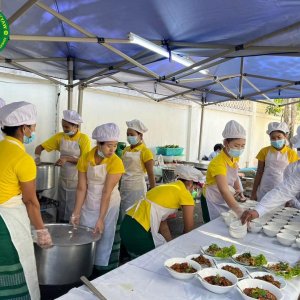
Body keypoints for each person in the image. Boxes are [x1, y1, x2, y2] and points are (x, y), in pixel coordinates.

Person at [0, 101, 52, 300]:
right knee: (16, 264)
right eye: (33, 128)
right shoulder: (23, 159)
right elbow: (30, 201)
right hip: (7, 223)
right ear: (23, 128)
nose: (33, 132)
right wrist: (41, 230)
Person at [71, 123, 125, 274]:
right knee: (86, 232)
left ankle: (104, 271)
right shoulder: (85, 158)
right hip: (89, 200)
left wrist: (101, 218)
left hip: (109, 203)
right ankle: (86, 266)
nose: (112, 150)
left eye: (115, 146)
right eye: (109, 146)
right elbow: (82, 188)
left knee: (106, 234)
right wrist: (76, 212)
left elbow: (106, 192)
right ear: (99, 144)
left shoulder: (116, 162)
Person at [120, 165, 204, 258]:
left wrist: (170, 246)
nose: (193, 191)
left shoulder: (167, 187)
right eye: (194, 188)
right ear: (189, 182)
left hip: (126, 226)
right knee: (157, 260)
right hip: (139, 232)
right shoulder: (184, 193)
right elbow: (189, 230)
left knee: (143, 261)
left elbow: (163, 225)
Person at [34, 110, 91, 222]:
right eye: (63, 126)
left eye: (67, 127)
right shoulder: (60, 137)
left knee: (73, 206)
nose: (64, 129)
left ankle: (73, 229)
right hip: (63, 179)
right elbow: (39, 148)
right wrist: (37, 158)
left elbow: (86, 161)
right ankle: (61, 226)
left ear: (76, 126)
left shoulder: (83, 139)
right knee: (62, 205)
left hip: (78, 180)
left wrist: (67, 159)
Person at [202, 120, 246, 222]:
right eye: (236, 145)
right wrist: (240, 211)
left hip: (223, 197)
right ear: (225, 143)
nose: (240, 149)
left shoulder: (234, 157)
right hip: (212, 199)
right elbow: (224, 190)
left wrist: (238, 189)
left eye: (243, 145)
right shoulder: (218, 162)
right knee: (212, 226)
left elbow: (234, 175)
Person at [251, 122, 298, 201]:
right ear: (269, 137)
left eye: (279, 137)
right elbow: (259, 172)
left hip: (282, 191)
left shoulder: (291, 153)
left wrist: (291, 198)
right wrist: (253, 193)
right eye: (273, 138)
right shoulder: (264, 151)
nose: (276, 140)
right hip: (265, 189)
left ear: (285, 136)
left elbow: (293, 177)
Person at [120, 119, 155, 219]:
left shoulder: (145, 151)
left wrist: (153, 190)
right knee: (124, 213)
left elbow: (150, 173)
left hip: (137, 188)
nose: (129, 137)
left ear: (140, 136)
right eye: (127, 134)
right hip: (125, 186)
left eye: (132, 134)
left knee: (135, 214)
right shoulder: (126, 150)